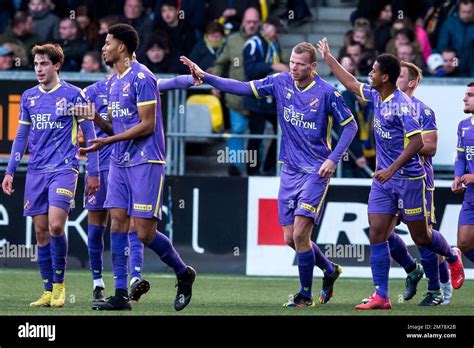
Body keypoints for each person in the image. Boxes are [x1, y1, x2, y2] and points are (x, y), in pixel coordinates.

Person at [181, 41, 358, 307]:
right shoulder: (280, 82)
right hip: (289, 169)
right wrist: (205, 76)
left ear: (313, 65)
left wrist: (333, 160)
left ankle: (304, 295)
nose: (294, 68)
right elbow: (241, 88)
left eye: (300, 64)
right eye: (292, 63)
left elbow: (351, 127)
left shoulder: (327, 93)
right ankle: (329, 269)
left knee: (300, 235)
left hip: (316, 171)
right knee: (291, 239)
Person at [317, 37, 464, 310]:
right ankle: (382, 296)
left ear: (385, 77)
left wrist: (391, 169)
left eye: (373, 71)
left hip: (409, 179)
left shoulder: (403, 106)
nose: (369, 74)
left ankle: (452, 257)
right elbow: (350, 83)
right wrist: (328, 59)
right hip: (384, 182)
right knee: (377, 233)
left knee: (422, 237)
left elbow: (418, 142)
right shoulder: (375, 94)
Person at [76, 24, 196, 311]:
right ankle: (119, 294)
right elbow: (116, 126)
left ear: (121, 47)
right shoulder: (115, 81)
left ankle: (183, 272)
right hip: (120, 160)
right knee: (116, 222)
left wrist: (107, 141)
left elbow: (147, 125)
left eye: (107, 43)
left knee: (143, 232)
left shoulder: (143, 77)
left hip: (146, 161)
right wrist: (98, 121)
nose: (103, 48)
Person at [1, 43, 99, 308]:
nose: (39, 69)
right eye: (35, 64)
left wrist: (94, 172)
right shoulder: (29, 97)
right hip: (35, 171)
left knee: (57, 225)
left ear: (56, 65)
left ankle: (59, 286)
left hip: (64, 169)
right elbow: (21, 137)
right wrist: (10, 171)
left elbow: (90, 135)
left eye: (44, 63)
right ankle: (47, 290)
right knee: (41, 233)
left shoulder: (74, 95)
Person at [452, 82, 474, 302]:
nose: (465, 99)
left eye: (470, 95)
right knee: (464, 243)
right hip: (471, 195)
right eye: (465, 94)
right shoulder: (463, 126)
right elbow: (460, 157)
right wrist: (458, 177)